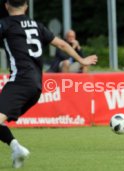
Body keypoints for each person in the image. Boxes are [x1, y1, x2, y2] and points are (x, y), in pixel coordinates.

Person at [0, 0, 97, 168]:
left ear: (6, 5)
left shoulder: (5, 24)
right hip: (36, 86)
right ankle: (16, 148)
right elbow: (61, 43)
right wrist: (81, 59)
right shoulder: (37, 25)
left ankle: (17, 148)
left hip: (20, 82)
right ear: (26, 6)